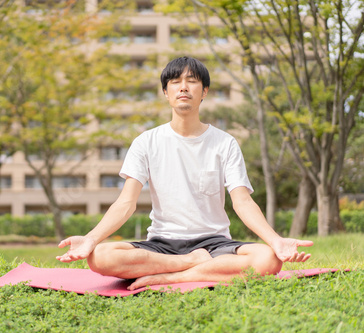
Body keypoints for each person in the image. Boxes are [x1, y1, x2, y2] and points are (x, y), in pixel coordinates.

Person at [56, 56, 313, 291]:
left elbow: (242, 201)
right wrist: (91, 239)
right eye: (175, 82)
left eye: (192, 81)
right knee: (100, 256)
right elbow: (126, 202)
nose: (183, 87)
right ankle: (192, 264)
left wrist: (275, 240)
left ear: (205, 92)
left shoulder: (225, 143)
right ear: (166, 93)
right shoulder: (146, 142)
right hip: (162, 243)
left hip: (214, 243)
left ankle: (171, 277)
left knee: (268, 260)